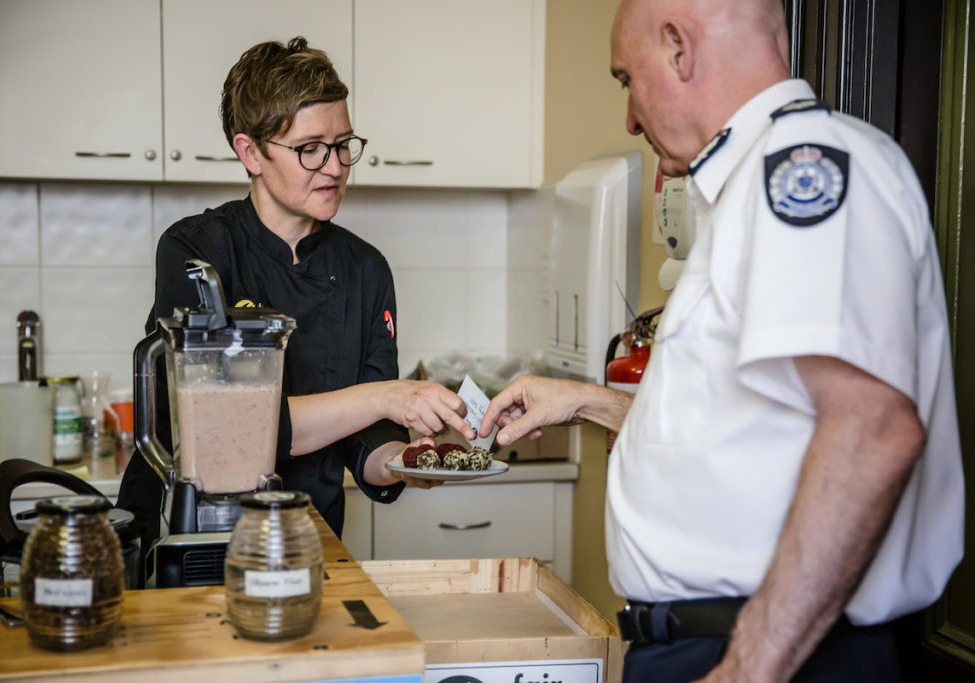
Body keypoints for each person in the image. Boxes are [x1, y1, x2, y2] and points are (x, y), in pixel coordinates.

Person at [479, 1, 964, 681]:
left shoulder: (803, 170)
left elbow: (872, 430)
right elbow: (745, 430)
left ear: (679, 47)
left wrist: (747, 668)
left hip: (771, 650)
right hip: (718, 643)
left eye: (626, 80)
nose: (628, 117)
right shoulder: (747, 188)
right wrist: (585, 401)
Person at [118, 37, 473, 556]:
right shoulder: (195, 252)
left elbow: (366, 437)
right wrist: (385, 395)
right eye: (310, 148)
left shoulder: (365, 269)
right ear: (250, 152)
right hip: (194, 537)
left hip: (308, 539)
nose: (334, 166)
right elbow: (224, 434)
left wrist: (406, 458)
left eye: (343, 144)